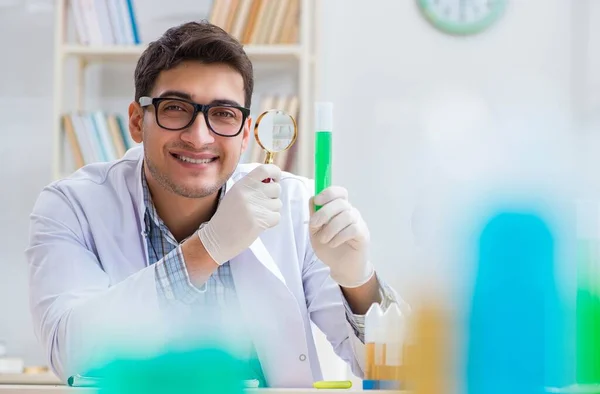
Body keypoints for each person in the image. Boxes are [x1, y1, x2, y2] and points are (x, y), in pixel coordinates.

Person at [26, 21, 405, 388]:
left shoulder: (295, 206)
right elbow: (69, 353)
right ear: (137, 121)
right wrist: (207, 249)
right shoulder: (71, 206)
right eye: (175, 107)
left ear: (245, 134)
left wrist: (358, 281)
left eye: (223, 114)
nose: (199, 135)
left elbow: (394, 367)